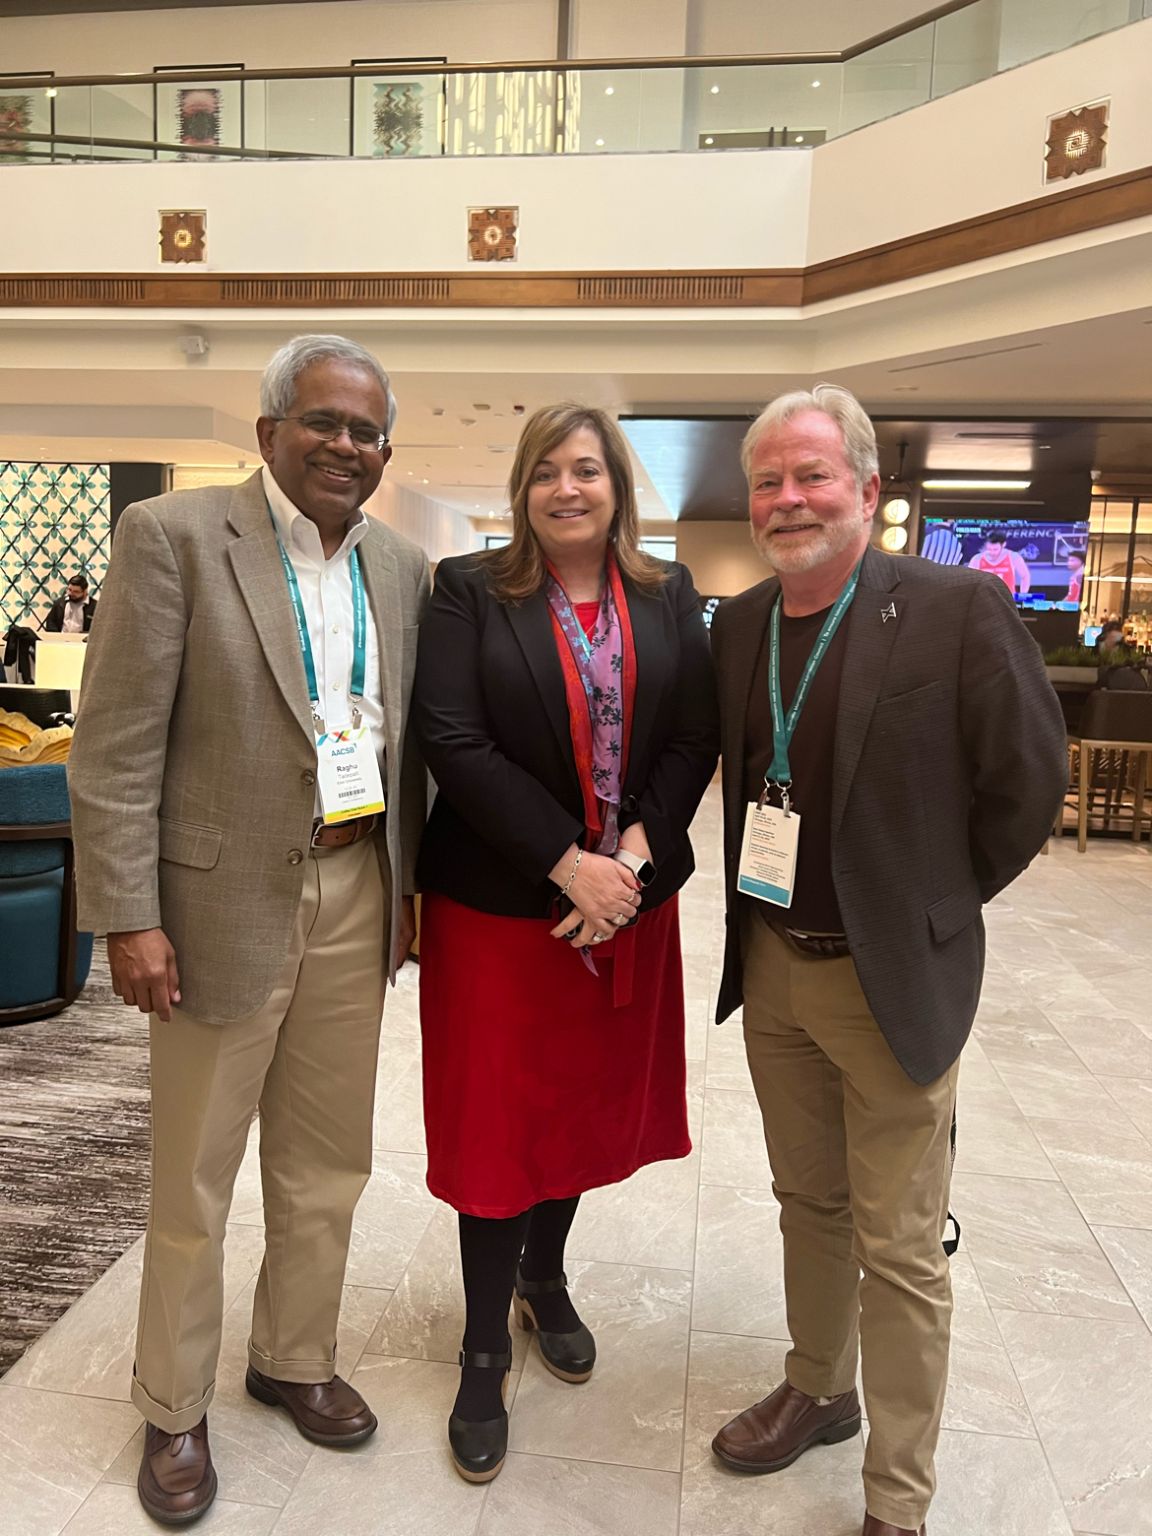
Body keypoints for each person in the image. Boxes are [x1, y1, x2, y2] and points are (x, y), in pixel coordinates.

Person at [68, 334, 429, 1526]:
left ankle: (293, 1357)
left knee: (327, 1168)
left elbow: (402, 744)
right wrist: (128, 916)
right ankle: (173, 1405)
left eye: (368, 432)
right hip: (216, 905)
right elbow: (117, 745)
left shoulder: (403, 569)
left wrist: (409, 888)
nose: (346, 446)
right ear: (269, 429)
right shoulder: (174, 538)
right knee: (195, 1181)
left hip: (356, 889)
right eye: (323, 422)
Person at [708, 384, 1067, 1536]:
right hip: (772, 971)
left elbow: (1028, 784)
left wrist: (935, 910)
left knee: (902, 1249)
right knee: (806, 1201)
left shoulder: (956, 610)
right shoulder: (744, 624)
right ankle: (820, 1387)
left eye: (811, 475)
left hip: (889, 983)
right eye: (768, 481)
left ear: (870, 490)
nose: (788, 499)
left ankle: (897, 1504)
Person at [412, 403, 718, 1484]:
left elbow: (694, 737)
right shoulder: (469, 591)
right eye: (545, 470)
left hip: (624, 902)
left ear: (617, 484)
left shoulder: (668, 592)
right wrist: (566, 861)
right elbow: (452, 737)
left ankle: (547, 1276)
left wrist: (626, 866)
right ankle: (484, 1347)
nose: (566, 488)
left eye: (585, 468)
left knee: (579, 1105)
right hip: (502, 907)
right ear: (521, 488)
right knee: (501, 1118)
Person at [967, 527, 1031, 596]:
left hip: (1007, 600)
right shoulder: (977, 559)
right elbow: (969, 580)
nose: (992, 552)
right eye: (989, 549)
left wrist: (1023, 595)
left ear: (1003, 545)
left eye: (995, 549)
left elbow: (1025, 576)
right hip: (985, 600)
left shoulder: (1013, 557)